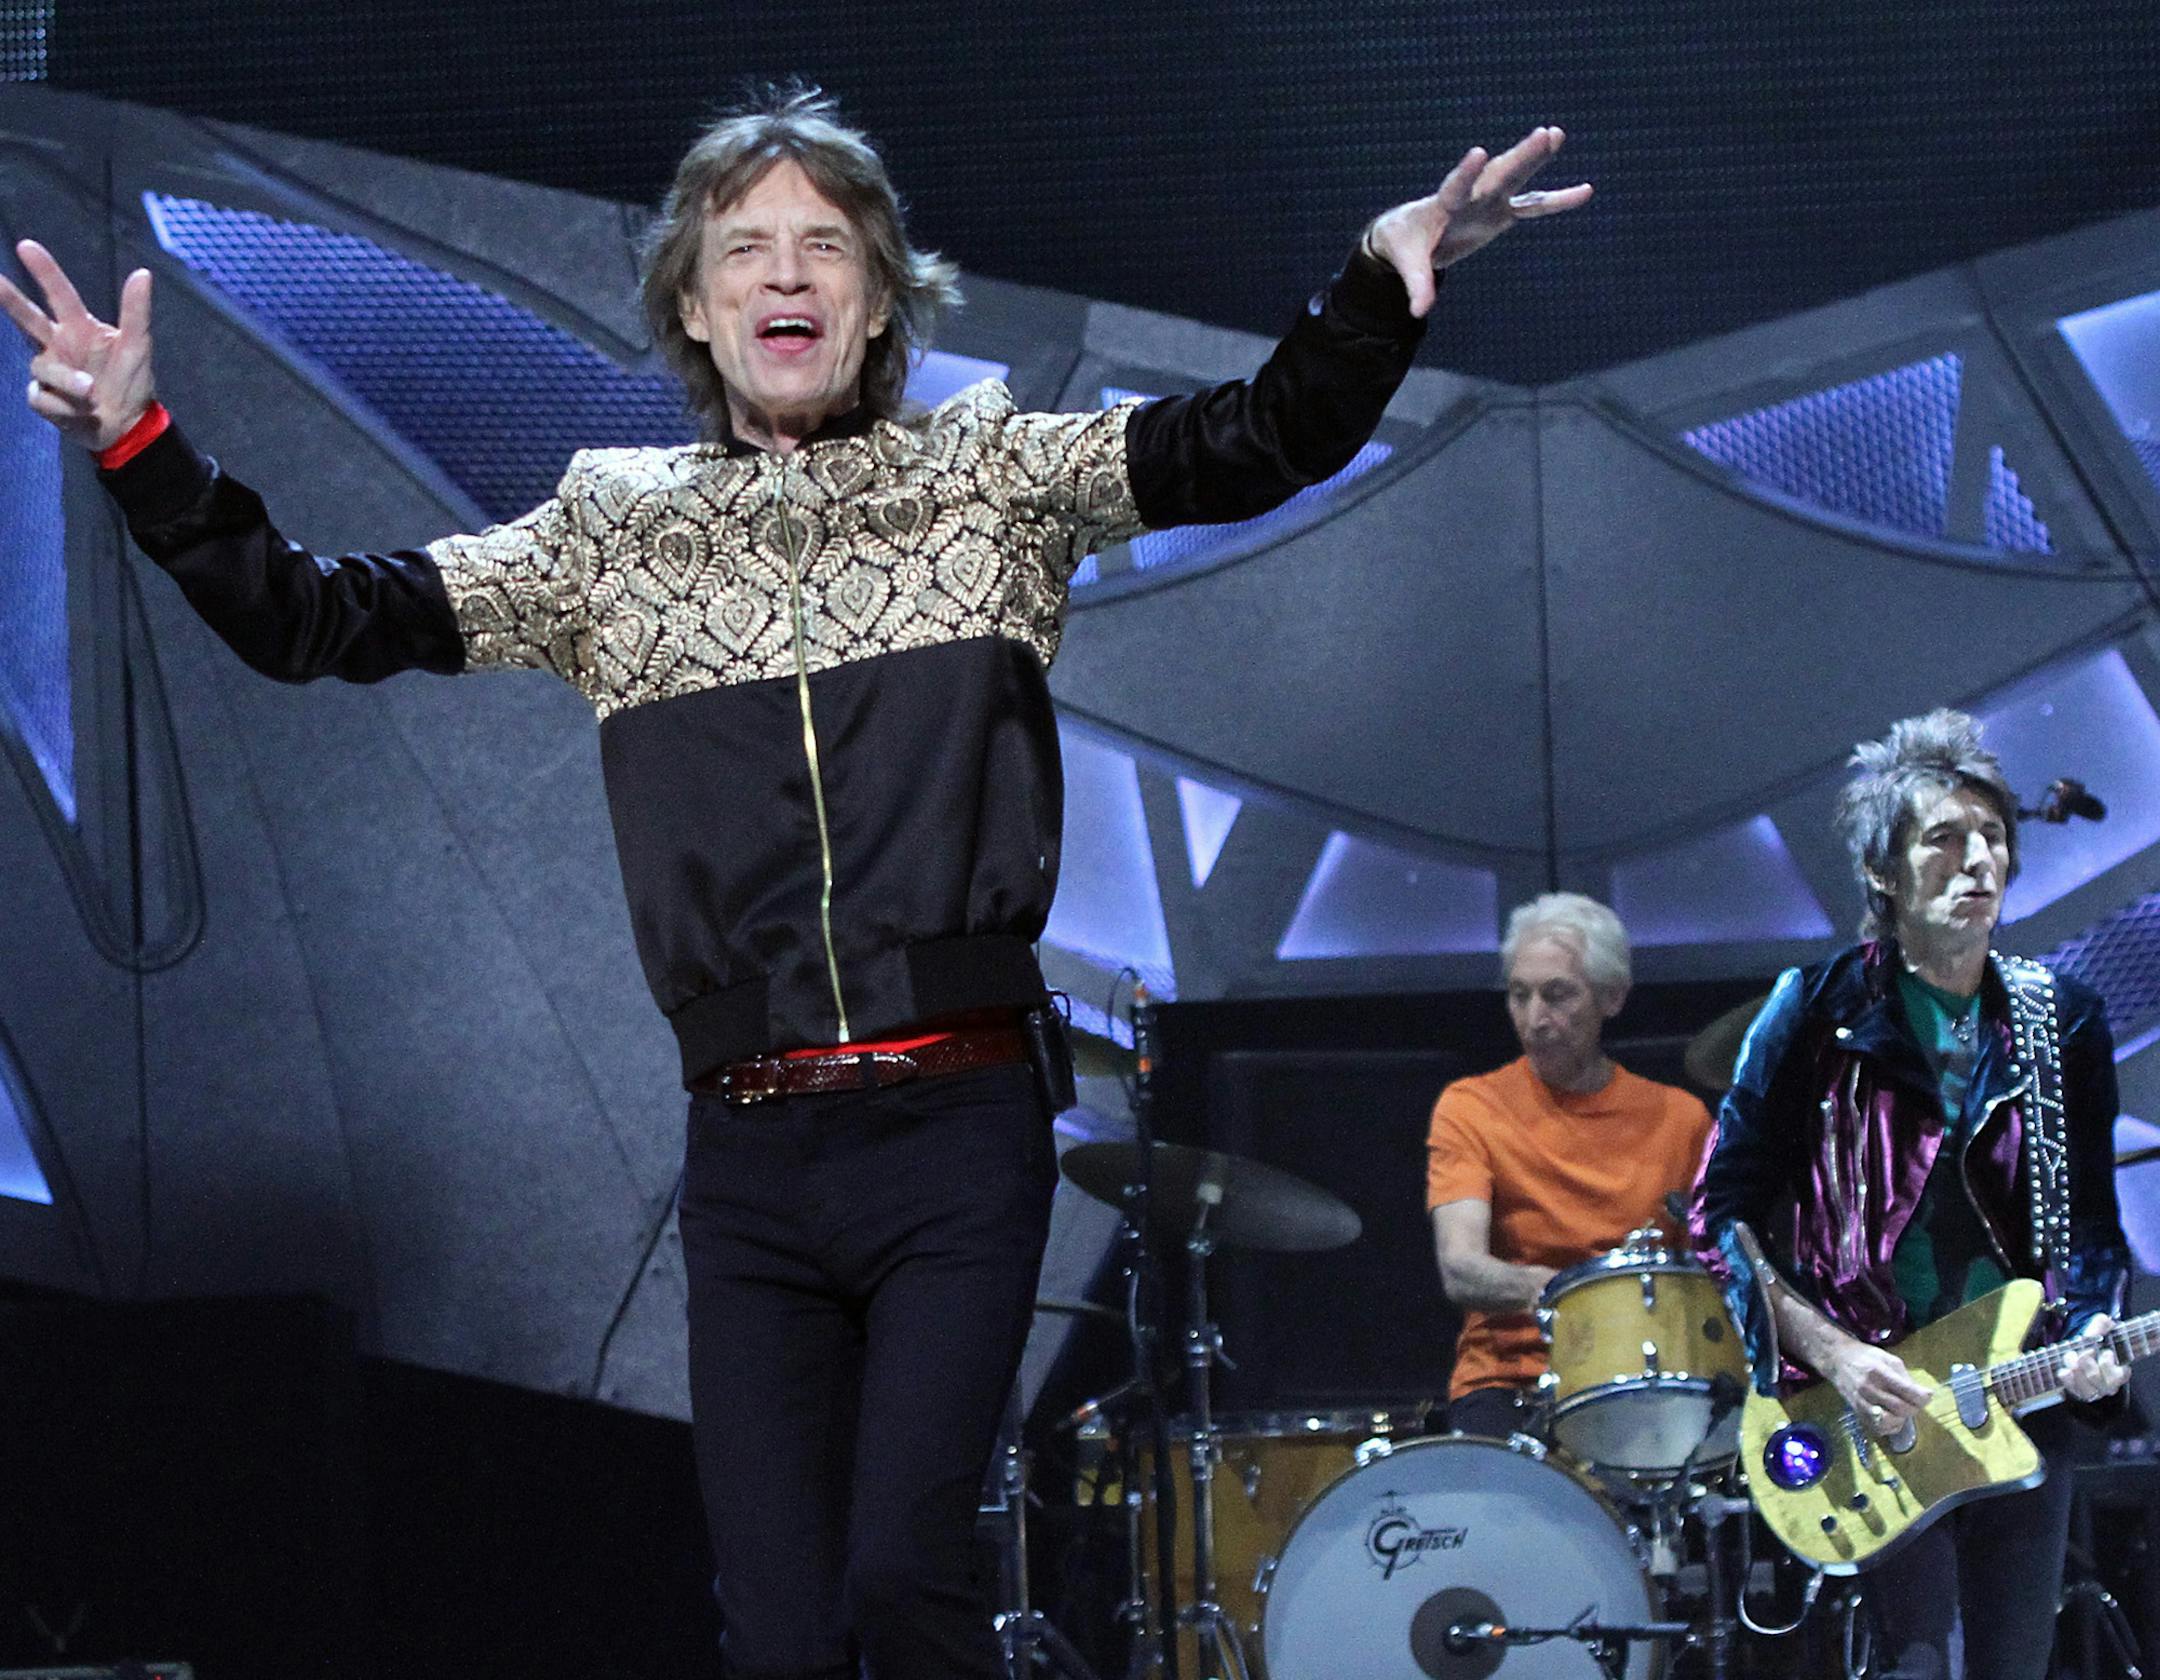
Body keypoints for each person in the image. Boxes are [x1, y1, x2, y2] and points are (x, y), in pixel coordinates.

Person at [5, 87, 1590, 1680]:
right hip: (753, 1159)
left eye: (824, 247)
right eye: (745, 247)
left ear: (880, 293)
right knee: (775, 1634)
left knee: (906, 1583)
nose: (787, 274)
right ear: (694, 304)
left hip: (956, 1133)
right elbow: (310, 619)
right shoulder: (610, 537)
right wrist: (141, 444)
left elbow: (1255, 437)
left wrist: (1383, 281)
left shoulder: (990, 480)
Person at [1692, 709, 2130, 1680]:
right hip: (1876, 1409)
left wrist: (2097, 1328)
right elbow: (1718, 1215)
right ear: (1885, 876)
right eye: (1945, 838)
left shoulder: (2066, 1021)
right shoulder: (1813, 1011)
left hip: (2023, 1401)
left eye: (1994, 837)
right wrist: (1836, 1357)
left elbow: (2093, 1229)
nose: (1980, 858)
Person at [1427, 892, 1713, 1439]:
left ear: (1612, 998)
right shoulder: (1471, 1107)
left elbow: (1708, 1273)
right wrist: (1575, 1295)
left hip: (1642, 1377)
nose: (1535, 1019)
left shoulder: (1680, 1118)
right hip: (1511, 1382)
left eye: (1557, 996)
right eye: (1519, 995)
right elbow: (1460, 1267)